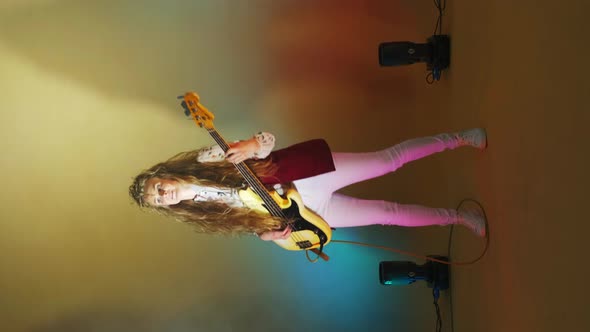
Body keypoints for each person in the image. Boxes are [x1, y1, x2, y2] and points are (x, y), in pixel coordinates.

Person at [129, 129, 488, 241]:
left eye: (158, 187)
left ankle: (459, 139)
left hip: (305, 176)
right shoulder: (205, 216)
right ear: (167, 208)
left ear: (166, 174)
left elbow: (267, 140)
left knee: (387, 160)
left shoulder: (207, 160)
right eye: (159, 200)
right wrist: (271, 235)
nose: (163, 194)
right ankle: (458, 218)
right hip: (307, 212)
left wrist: (252, 146)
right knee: (386, 214)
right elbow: (256, 219)